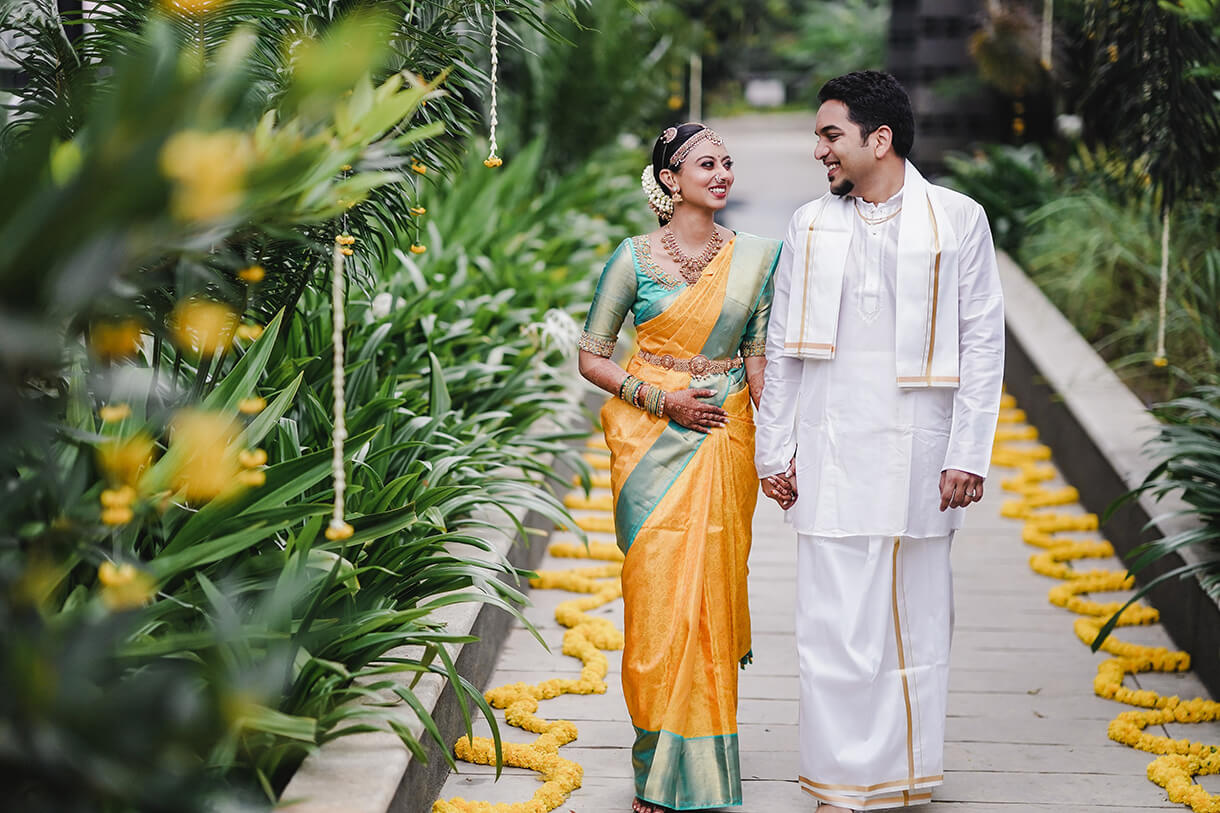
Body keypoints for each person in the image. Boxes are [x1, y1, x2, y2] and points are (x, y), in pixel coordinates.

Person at [754, 71, 1004, 812]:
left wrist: (969, 450)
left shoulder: (958, 219)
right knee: (828, 627)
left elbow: (982, 341)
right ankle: (837, 781)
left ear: (880, 139)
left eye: (831, 135)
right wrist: (775, 451)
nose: (820, 150)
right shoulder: (808, 225)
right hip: (831, 453)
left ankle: (902, 774)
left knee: (917, 621)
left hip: (918, 456)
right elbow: (784, 347)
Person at [578, 123, 781, 813]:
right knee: (657, 605)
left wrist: (783, 447)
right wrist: (660, 398)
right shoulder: (631, 260)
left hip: (726, 435)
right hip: (649, 442)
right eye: (705, 163)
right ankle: (651, 767)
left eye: (727, 163)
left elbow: (758, 362)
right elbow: (593, 354)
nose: (721, 173)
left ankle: (696, 769)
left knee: (712, 600)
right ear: (669, 178)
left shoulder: (755, 257)